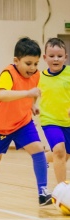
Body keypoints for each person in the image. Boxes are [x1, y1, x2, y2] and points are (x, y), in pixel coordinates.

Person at [0, 37, 52, 206]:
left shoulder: (36, 75)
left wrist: (31, 106)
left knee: (38, 150)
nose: (33, 68)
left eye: (36, 64)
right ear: (16, 61)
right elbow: (2, 94)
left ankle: (43, 192)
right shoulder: (8, 73)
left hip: (23, 123)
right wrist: (28, 94)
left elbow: (32, 94)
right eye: (28, 63)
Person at [38, 37, 70, 183]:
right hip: (49, 120)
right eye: (51, 56)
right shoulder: (39, 77)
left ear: (66, 57)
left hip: (67, 122)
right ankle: (62, 189)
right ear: (45, 57)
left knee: (65, 155)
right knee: (59, 150)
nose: (55, 59)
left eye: (59, 56)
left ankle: (42, 158)